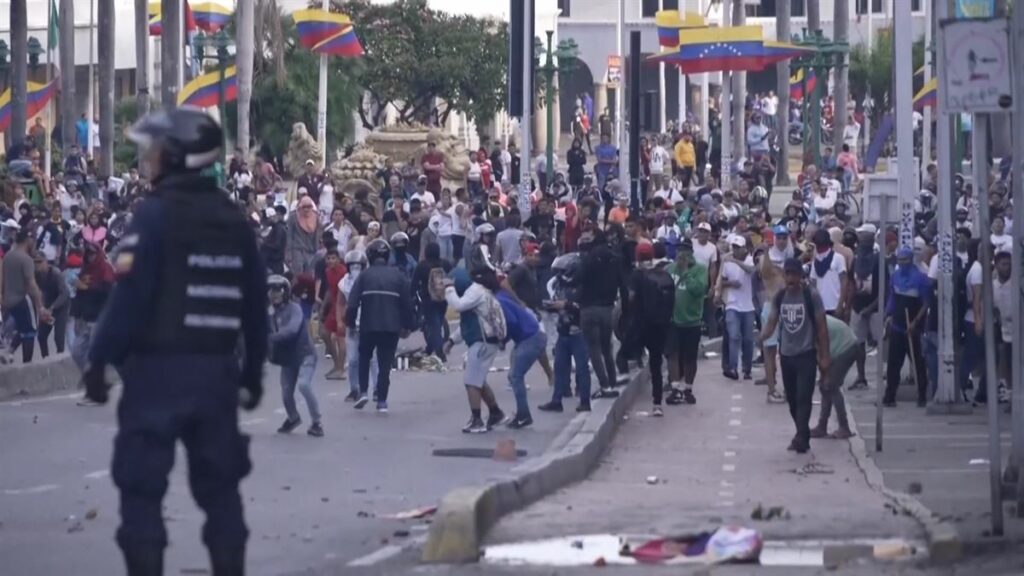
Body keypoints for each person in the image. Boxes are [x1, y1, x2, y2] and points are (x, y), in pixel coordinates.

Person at [80, 108, 268, 574]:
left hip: (157, 378)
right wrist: (252, 376)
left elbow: (128, 300)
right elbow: (255, 308)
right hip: (216, 376)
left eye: (157, 151)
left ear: (180, 157)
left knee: (142, 494)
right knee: (222, 494)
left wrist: (97, 363)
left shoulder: (155, 215)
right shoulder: (235, 221)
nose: (150, 159)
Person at [759, 258, 830, 454]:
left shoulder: (811, 296)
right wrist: (761, 337)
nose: (790, 278)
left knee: (803, 397)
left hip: (806, 354)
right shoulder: (780, 297)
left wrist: (825, 356)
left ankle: (800, 436)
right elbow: (772, 322)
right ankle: (802, 433)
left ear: (800, 276)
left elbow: (822, 328)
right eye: (787, 274)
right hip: (787, 355)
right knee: (791, 398)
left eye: (794, 274)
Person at [443, 246, 510, 433]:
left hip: (483, 342)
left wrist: (449, 288)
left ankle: (477, 420)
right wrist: (451, 340)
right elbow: (469, 322)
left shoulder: (475, 291)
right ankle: (496, 413)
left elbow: (457, 305)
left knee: (471, 381)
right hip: (485, 340)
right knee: (478, 380)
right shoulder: (480, 292)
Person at [344, 239, 414, 412]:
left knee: (364, 357)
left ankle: (363, 392)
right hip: (391, 328)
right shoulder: (398, 276)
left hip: (368, 326)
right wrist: (408, 326)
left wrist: (351, 323)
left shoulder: (364, 276)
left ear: (369, 256)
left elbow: (352, 304)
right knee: (385, 364)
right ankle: (382, 401)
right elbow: (407, 304)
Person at [267, 275, 323, 437]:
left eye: (278, 291)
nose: (274, 295)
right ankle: (293, 418)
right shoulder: (269, 312)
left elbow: (291, 330)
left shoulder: (295, 309)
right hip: (287, 357)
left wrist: (270, 338)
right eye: (271, 291)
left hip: (305, 354)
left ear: (286, 292)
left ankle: (317, 422)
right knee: (286, 392)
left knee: (304, 385)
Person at [539, 253, 592, 413]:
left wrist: (566, 305)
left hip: (579, 332)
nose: (559, 275)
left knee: (582, 368)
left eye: (563, 271)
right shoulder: (559, 285)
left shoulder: (583, 286)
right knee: (560, 367)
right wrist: (552, 305)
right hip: (563, 331)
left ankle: (584, 401)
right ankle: (557, 400)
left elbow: (582, 307)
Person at [577, 228, 627, 397]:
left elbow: (579, 278)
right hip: (608, 308)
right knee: (607, 348)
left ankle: (604, 386)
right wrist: (625, 309)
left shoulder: (589, 257)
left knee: (594, 349)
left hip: (589, 307)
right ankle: (612, 383)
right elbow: (623, 285)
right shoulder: (615, 258)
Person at [629, 242, 675, 416]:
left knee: (630, 353)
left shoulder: (637, 275)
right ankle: (657, 404)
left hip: (642, 324)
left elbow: (631, 298)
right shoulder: (662, 274)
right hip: (660, 324)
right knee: (656, 364)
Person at [883, 246, 931, 407]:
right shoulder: (895, 277)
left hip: (914, 328)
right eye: (899, 260)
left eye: (905, 260)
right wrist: (888, 315)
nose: (902, 263)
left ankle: (922, 395)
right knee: (893, 363)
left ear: (911, 260)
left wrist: (916, 322)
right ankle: (890, 396)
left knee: (918, 362)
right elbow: (892, 298)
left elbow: (925, 303)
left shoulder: (920, 279)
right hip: (897, 325)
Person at [496, 284, 546, 429]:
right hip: (532, 335)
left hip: (529, 338)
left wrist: (503, 339)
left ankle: (523, 415)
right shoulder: (503, 295)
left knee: (516, 376)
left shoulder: (499, 301)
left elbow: (510, 322)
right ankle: (522, 414)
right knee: (514, 376)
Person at [665, 238, 707, 406]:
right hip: (673, 321)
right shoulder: (669, 269)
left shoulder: (700, 270)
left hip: (692, 321)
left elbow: (698, 290)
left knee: (690, 358)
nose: (681, 254)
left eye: (685, 251)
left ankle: (688, 388)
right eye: (679, 250)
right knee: (672, 354)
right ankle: (675, 388)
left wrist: (685, 272)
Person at [337, 250, 379, 402]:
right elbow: (340, 302)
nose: (355, 268)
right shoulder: (343, 282)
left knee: (373, 358)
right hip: (352, 325)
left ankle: (376, 389)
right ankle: (354, 389)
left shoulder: (370, 279)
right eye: (352, 266)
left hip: (369, 324)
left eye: (358, 265)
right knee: (353, 360)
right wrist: (340, 321)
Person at [2, 230, 48, 363]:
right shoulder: (26, 259)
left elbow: (3, 279)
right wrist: (40, 305)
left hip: (9, 300)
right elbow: (31, 283)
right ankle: (26, 365)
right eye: (32, 239)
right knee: (30, 332)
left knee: (22, 328)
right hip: (23, 299)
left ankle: (9, 352)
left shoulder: (8, 256)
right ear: (28, 240)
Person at [717, 235, 756, 380]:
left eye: (738, 247)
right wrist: (729, 285)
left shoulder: (750, 259)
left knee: (747, 339)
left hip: (748, 306)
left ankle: (747, 369)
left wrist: (735, 261)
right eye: (734, 247)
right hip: (732, 304)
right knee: (733, 336)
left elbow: (751, 270)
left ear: (744, 248)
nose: (735, 250)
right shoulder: (727, 262)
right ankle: (733, 368)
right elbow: (723, 281)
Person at [34, 252, 70, 358]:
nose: (37, 264)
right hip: (48, 305)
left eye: (40, 261)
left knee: (58, 337)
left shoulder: (56, 274)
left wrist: (52, 308)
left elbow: (64, 294)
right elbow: (37, 292)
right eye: (35, 262)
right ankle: (45, 357)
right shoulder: (36, 274)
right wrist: (41, 308)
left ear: (46, 261)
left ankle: (60, 359)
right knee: (41, 336)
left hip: (60, 307)